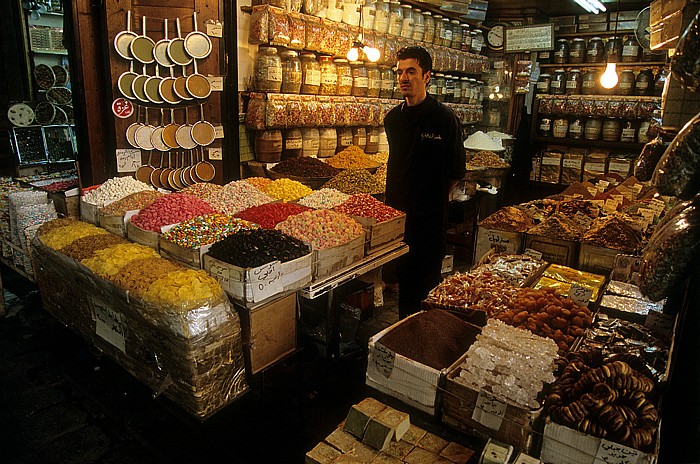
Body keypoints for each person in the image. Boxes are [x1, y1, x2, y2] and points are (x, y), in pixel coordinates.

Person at [384, 46, 466, 319]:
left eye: (411, 71)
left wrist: (433, 198)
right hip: (397, 216)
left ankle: (423, 337)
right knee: (403, 283)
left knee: (426, 288)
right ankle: (402, 338)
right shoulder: (392, 119)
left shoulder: (444, 119)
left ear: (427, 76)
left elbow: (456, 170)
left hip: (429, 219)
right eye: (400, 72)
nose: (404, 78)